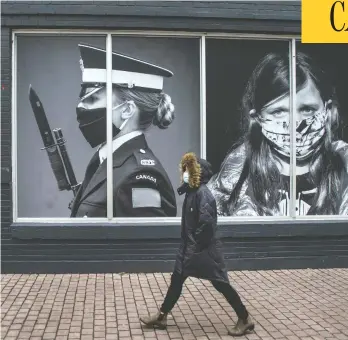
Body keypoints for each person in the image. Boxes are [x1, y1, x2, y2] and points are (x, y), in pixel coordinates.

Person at [207, 51, 348, 216]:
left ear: (328, 111)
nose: (295, 125)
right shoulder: (233, 185)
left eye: (307, 109)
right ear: (257, 118)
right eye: (279, 112)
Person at [140, 152, 255, 336]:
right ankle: (161, 316)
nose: (185, 173)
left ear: (197, 174)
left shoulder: (203, 195)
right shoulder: (192, 192)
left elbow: (207, 225)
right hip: (189, 249)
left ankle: (245, 318)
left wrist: (194, 246)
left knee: (221, 284)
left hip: (203, 251)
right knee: (176, 281)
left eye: (188, 170)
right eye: (184, 169)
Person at [70, 44, 177, 218]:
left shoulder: (139, 176)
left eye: (93, 98)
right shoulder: (106, 160)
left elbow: (144, 245)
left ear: (127, 109)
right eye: (83, 98)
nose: (81, 106)